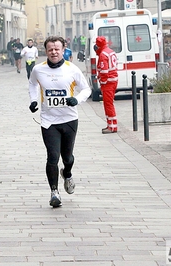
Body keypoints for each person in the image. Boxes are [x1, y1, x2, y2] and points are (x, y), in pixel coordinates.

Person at [28, 36, 91, 207]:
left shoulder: (72, 69)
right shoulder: (38, 70)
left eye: (57, 49)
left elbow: (86, 89)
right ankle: (54, 192)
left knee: (68, 157)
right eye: (50, 49)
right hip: (48, 121)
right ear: (46, 51)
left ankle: (68, 174)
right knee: (52, 157)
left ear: (63, 50)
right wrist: (34, 100)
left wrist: (76, 100)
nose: (54, 52)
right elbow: (32, 84)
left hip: (69, 119)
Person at [94, 36, 119, 134]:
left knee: (108, 104)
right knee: (109, 103)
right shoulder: (110, 51)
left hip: (108, 82)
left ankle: (112, 126)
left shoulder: (103, 55)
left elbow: (104, 71)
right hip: (113, 80)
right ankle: (111, 124)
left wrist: (102, 82)